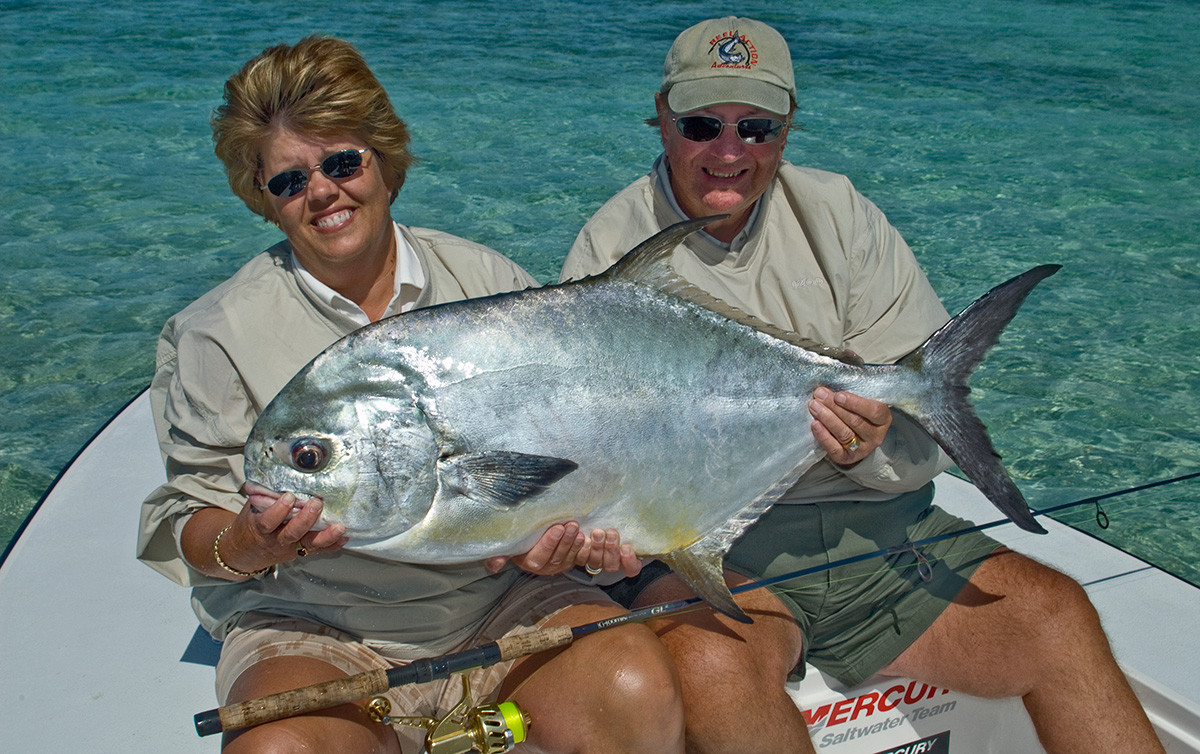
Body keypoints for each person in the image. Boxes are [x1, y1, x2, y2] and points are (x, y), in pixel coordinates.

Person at [557, 16, 1165, 754]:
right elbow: (596, 456)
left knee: (1058, 614)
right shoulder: (610, 248)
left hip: (879, 537)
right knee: (709, 664)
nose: (727, 151)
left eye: (755, 127)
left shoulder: (840, 215)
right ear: (659, 117)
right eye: (698, 124)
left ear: (788, 128)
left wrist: (866, 449)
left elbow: (916, 440)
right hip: (722, 556)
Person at [136, 36, 682, 754]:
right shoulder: (217, 333)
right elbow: (188, 519)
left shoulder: (492, 287)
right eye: (290, 181)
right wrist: (244, 543)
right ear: (264, 199)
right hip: (312, 623)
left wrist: (555, 544)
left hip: (500, 602)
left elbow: (565, 458)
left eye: (341, 163)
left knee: (634, 691)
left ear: (384, 161)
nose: (323, 192)